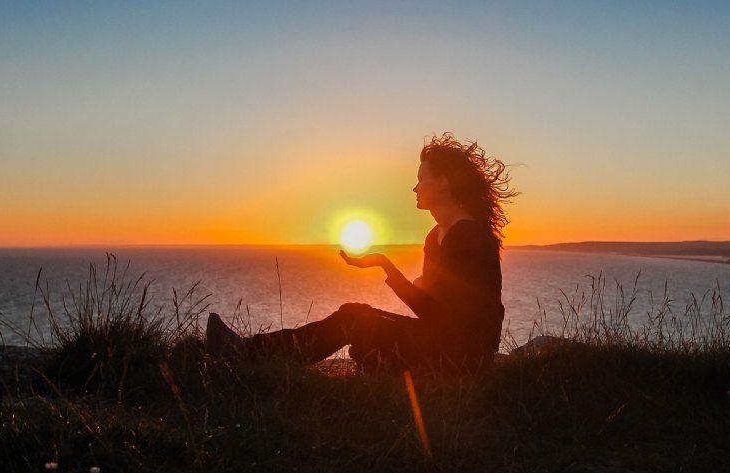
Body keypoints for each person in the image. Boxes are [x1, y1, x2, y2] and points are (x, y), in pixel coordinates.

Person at [206, 133, 517, 373]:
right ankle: (251, 352)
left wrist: (388, 276)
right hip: (439, 340)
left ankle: (248, 354)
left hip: (462, 357)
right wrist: (387, 270)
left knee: (358, 322)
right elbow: (432, 312)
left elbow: (452, 321)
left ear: (443, 184)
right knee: (354, 314)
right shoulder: (435, 237)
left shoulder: (470, 237)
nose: (415, 187)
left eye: (421, 179)